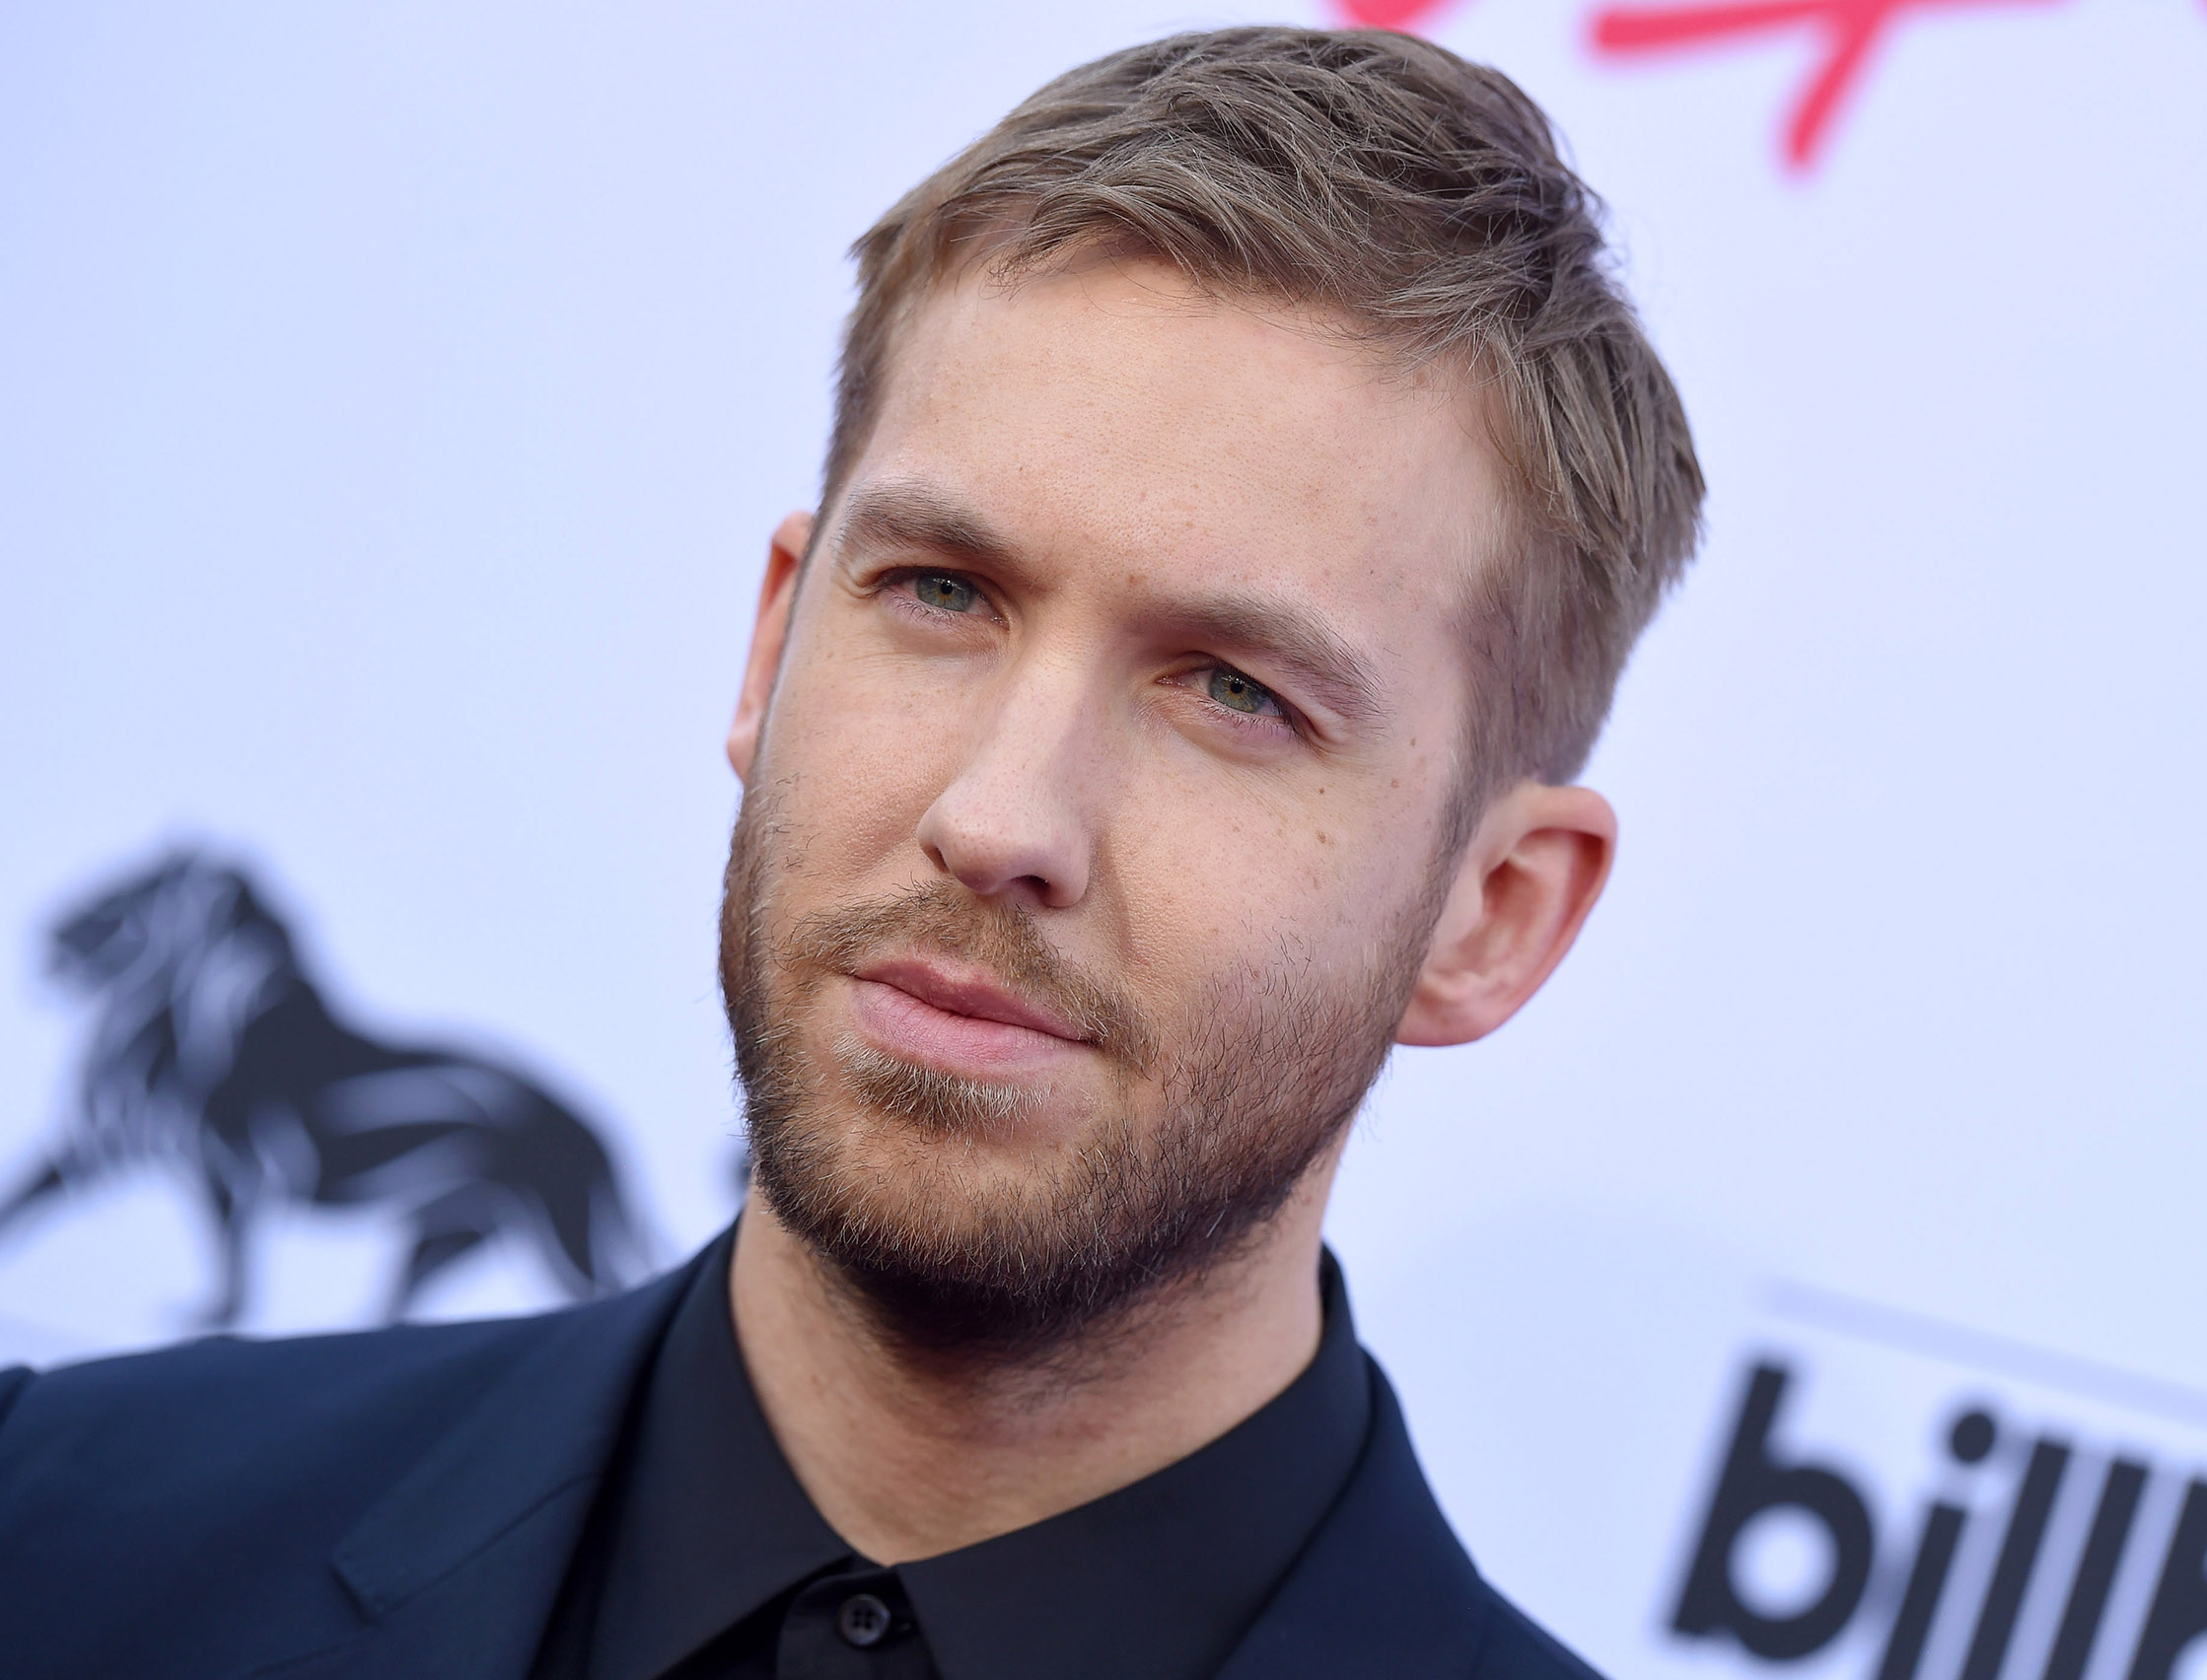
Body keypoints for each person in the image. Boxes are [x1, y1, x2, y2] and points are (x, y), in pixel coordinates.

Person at [0, 26, 1701, 1680]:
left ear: (1490, 916)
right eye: (943, 593)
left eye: (1235, 693)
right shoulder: (58, 1544)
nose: (1000, 818)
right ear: (772, 648)